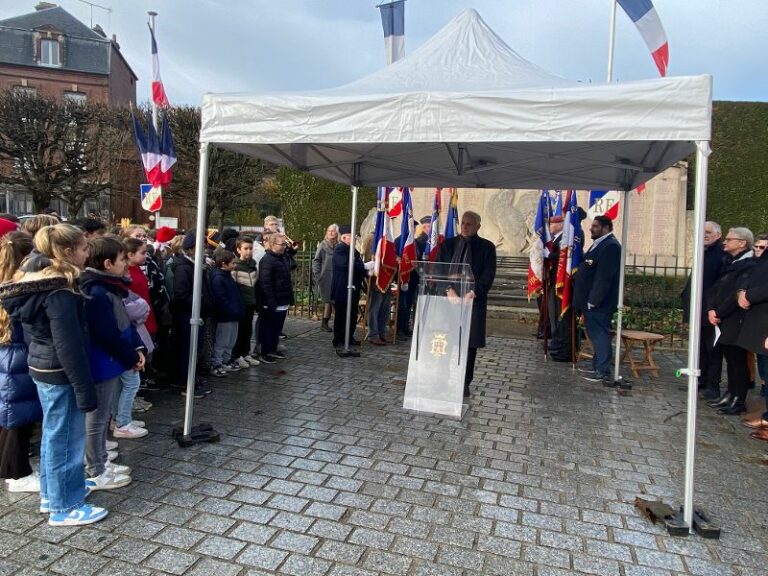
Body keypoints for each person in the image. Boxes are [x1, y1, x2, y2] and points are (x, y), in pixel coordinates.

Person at [0, 224, 107, 526]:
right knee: (66, 440)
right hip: (60, 372)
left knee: (54, 434)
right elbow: (68, 345)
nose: (89, 253)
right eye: (85, 248)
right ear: (68, 251)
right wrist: (84, 388)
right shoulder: (58, 290)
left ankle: (53, 493)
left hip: (45, 368)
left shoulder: (37, 280)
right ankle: (64, 506)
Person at [80, 237, 143, 489]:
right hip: (102, 361)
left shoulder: (108, 287)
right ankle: (96, 468)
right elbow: (106, 333)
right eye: (121, 259)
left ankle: (100, 460)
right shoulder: (97, 292)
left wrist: (135, 349)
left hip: (111, 359)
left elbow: (123, 322)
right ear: (107, 264)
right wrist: (129, 355)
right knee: (97, 419)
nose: (126, 263)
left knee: (102, 416)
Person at [437, 211, 497, 397]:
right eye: (463, 223)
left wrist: (473, 293)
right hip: (449, 301)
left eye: (469, 224)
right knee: (445, 341)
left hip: (472, 302)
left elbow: (488, 274)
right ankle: (441, 379)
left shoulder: (487, 247)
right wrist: (448, 291)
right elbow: (438, 269)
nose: (464, 226)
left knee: (469, 345)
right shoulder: (448, 244)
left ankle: (464, 383)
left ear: (478, 226)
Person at [0, 231, 41, 493]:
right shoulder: (19, 288)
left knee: (11, 414)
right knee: (17, 416)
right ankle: (16, 473)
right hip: (17, 358)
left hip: (9, 357)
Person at [706, 227, 756, 415]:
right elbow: (716, 288)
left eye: (730, 239)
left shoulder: (749, 264)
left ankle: (738, 398)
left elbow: (736, 294)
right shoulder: (730, 261)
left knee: (738, 360)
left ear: (742, 243)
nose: (725, 242)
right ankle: (730, 392)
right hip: (721, 318)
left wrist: (719, 312)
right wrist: (711, 308)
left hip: (735, 319)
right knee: (730, 359)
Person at [680, 221, 728, 399]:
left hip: (710, 310)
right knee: (699, 349)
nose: (705, 235)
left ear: (717, 235)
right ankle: (700, 380)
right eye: (703, 232)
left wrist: (713, 307)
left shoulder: (721, 255)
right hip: (697, 309)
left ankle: (712, 385)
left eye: (708, 232)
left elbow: (719, 285)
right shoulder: (703, 252)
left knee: (713, 350)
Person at [573, 215, 622, 384]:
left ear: (606, 227)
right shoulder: (600, 244)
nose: (591, 229)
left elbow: (604, 277)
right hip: (591, 302)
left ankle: (603, 371)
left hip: (599, 304)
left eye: (595, 226)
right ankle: (597, 366)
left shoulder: (610, 247)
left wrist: (593, 300)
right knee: (596, 335)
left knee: (600, 336)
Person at [171, 231, 213, 399]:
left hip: (198, 313)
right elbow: (181, 295)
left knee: (194, 349)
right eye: (201, 247)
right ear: (191, 249)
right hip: (188, 316)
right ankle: (187, 382)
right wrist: (200, 301)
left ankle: (192, 378)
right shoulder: (184, 268)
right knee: (188, 350)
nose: (205, 251)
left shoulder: (197, 266)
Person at [737, 233, 768, 436]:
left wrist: (749, 295)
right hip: (759, 323)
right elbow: (751, 277)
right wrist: (742, 291)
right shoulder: (760, 261)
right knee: (764, 371)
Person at [258, 233, 294, 363]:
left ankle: (273, 349)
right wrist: (271, 301)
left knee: (277, 328)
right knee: (268, 328)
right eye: (282, 244)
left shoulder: (282, 258)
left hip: (282, 299)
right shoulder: (267, 260)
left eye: (285, 244)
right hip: (272, 301)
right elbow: (265, 283)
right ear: (272, 244)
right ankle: (265, 352)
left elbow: (287, 279)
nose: (284, 247)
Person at [210, 250, 244, 376]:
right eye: (233, 263)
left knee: (230, 340)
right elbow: (221, 299)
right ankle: (217, 363)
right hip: (225, 316)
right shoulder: (218, 278)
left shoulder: (226, 275)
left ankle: (226, 360)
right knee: (222, 341)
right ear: (224, 264)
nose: (235, 265)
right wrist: (233, 310)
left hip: (232, 314)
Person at [331, 225, 366, 348]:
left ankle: (349, 337)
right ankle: (339, 339)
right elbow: (346, 265)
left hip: (353, 287)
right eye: (352, 236)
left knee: (352, 314)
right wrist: (364, 267)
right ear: (345, 237)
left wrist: (366, 270)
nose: (355, 239)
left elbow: (358, 265)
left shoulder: (353, 250)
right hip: (343, 288)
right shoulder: (340, 249)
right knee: (341, 314)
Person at [231, 237, 261, 367]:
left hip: (251, 302)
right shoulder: (235, 266)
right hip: (241, 303)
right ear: (238, 250)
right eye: (245, 249)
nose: (248, 251)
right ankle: (237, 355)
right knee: (240, 329)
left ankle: (245, 352)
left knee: (248, 328)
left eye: (250, 248)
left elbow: (256, 284)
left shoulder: (252, 264)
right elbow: (234, 286)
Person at [312, 224, 339, 332]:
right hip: (326, 277)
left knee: (335, 301)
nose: (331, 233)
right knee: (328, 300)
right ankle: (325, 323)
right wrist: (318, 275)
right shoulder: (323, 245)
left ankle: (336, 323)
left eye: (333, 231)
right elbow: (316, 261)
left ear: (337, 233)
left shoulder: (339, 245)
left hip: (337, 277)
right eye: (329, 231)